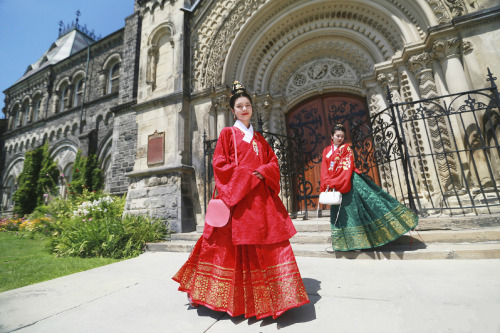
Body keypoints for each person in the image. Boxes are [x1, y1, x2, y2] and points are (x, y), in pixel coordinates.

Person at [173, 81, 309, 319]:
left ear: (252, 108)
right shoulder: (227, 134)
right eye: (239, 106)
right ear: (232, 111)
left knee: (268, 243)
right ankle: (208, 294)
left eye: (247, 105)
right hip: (235, 198)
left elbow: (272, 163)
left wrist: (262, 173)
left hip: (259, 201)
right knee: (222, 248)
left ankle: (271, 299)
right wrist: (246, 176)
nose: (244, 109)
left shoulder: (260, 140)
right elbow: (219, 164)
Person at [320, 124, 418, 251]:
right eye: (337, 136)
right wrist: (327, 183)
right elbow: (324, 168)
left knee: (357, 211)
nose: (340, 138)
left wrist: (336, 182)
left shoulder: (346, 149)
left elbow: (346, 167)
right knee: (340, 214)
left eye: (342, 136)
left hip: (348, 182)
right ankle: (344, 243)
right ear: (332, 136)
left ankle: (364, 241)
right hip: (334, 186)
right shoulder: (326, 150)